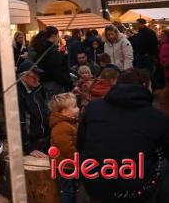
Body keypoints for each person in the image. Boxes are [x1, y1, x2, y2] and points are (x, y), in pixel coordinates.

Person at [77, 68, 169, 203]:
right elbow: (164, 152)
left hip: (95, 184)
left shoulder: (94, 108)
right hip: (135, 189)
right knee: (164, 165)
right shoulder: (156, 118)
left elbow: (81, 145)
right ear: (145, 86)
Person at [48, 92, 79, 203]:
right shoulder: (62, 127)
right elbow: (66, 148)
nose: (78, 109)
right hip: (63, 165)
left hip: (69, 164)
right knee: (67, 191)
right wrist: (78, 159)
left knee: (72, 189)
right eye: (75, 106)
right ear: (65, 112)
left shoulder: (70, 123)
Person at [16, 60, 50, 158]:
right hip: (30, 144)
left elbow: (44, 111)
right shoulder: (18, 94)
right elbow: (20, 123)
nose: (37, 78)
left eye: (38, 75)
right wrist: (28, 147)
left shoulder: (36, 90)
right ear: (23, 76)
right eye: (34, 76)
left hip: (42, 140)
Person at [30, 26, 73, 97]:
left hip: (44, 83)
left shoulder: (41, 49)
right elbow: (57, 71)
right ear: (53, 36)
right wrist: (69, 84)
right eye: (58, 36)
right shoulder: (51, 51)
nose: (59, 39)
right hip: (54, 85)